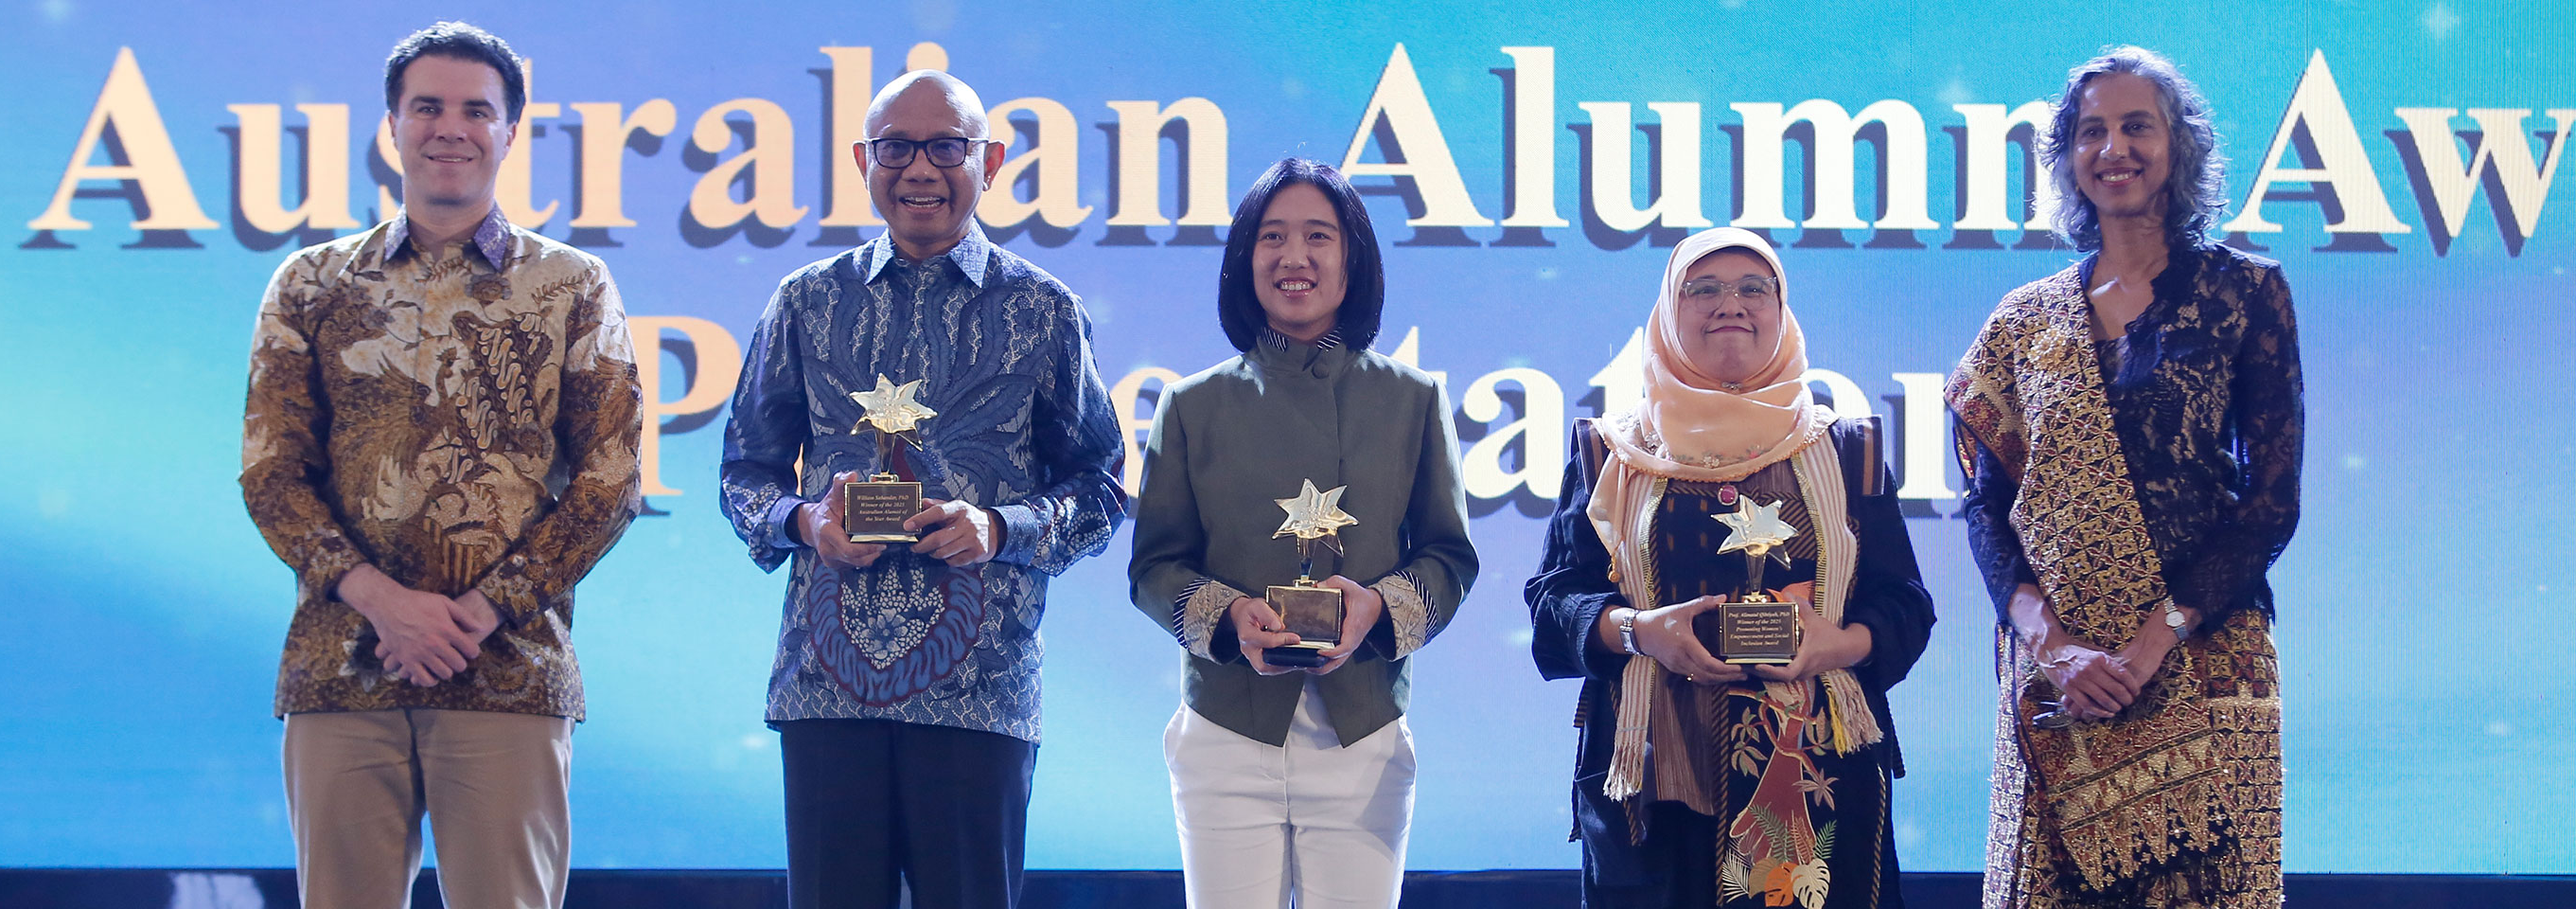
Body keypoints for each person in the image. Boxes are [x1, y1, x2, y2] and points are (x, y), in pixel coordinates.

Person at [238, 21, 643, 909]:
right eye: (427, 107)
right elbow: (271, 476)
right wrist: (386, 605)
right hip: (342, 666)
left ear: (509, 131)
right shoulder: (310, 284)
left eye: (475, 111)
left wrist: (475, 613)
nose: (449, 128)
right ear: (392, 125)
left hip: (509, 671)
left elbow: (611, 484)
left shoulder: (571, 285)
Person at [717, 70, 1125, 909]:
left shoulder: (1044, 310)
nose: (920, 170)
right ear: (863, 160)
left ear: (991, 161)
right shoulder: (805, 301)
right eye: (896, 148)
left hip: (980, 685)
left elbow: (1101, 488)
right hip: (827, 685)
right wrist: (804, 520)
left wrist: (1001, 527)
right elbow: (743, 472)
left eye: (946, 147)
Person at [1950, 46, 2300, 909]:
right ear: (2068, 157)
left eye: (2137, 126)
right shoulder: (2023, 321)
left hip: (2206, 664)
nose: (2115, 149)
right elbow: (1987, 509)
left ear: (2178, 145)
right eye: (2091, 132)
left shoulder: (2247, 293)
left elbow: (2269, 504)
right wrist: (2055, 646)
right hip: (2059, 678)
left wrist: (2152, 642)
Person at [1526, 227, 1933, 908]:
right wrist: (1639, 631)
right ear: (1669, 312)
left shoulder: (1848, 449)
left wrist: (1837, 645)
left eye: (1753, 288)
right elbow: (1554, 604)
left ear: (1780, 309)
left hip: (1816, 788)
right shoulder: (1608, 453)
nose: (1730, 304)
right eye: (1704, 289)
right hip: (1654, 793)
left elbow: (1905, 605)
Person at [1127, 157, 1478, 909]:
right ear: (1244, 259)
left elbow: (1449, 559)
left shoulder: (1414, 399)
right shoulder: (1192, 405)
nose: (1295, 256)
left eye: (1319, 236)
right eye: (1272, 236)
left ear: (1354, 258)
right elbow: (1154, 569)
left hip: (1364, 731)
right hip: (1225, 729)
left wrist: (1377, 608)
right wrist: (1229, 618)